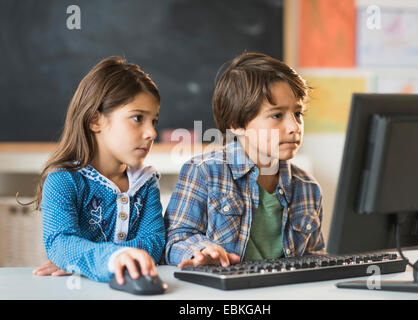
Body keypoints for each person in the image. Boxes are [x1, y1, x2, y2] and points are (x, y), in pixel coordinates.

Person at [164, 52, 324, 268]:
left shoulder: (308, 188)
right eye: (277, 115)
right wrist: (200, 251)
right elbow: (176, 239)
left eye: (298, 113)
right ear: (236, 124)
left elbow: (314, 256)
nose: (294, 127)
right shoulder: (204, 172)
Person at [30, 56, 165, 284]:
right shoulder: (63, 180)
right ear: (95, 120)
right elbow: (61, 243)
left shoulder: (146, 182)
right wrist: (108, 258)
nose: (151, 133)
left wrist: (81, 260)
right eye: (137, 118)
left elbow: (154, 242)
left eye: (154, 121)